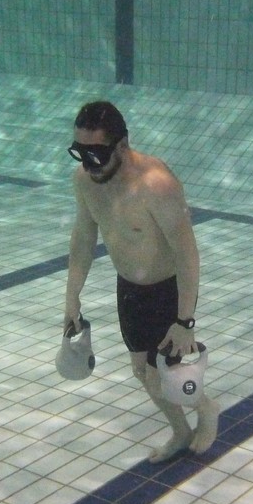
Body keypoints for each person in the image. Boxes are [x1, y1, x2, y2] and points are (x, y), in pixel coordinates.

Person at [63, 100, 219, 463]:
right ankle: (180, 431)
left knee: (168, 375)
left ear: (122, 144)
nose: (89, 164)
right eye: (80, 152)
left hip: (166, 289)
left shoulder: (156, 184)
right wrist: (72, 298)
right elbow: (83, 240)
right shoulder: (85, 181)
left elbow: (187, 254)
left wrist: (185, 321)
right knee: (142, 372)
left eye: (97, 153)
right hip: (129, 289)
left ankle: (206, 409)